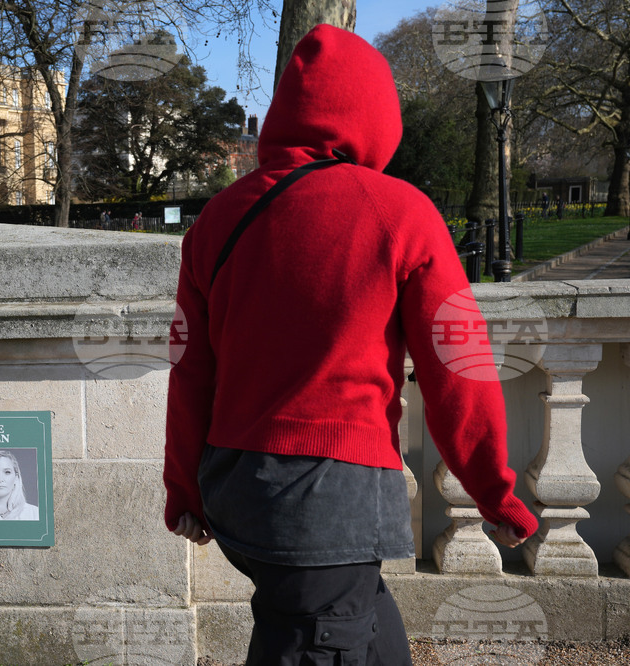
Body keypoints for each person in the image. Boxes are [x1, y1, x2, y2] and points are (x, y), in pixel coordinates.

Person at [163, 25, 538, 666]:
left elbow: (190, 372)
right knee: (323, 640)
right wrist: (494, 490)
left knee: (358, 628)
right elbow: (458, 363)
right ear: (377, 117)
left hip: (236, 489)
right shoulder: (399, 212)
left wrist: (184, 490)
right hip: (329, 500)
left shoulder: (216, 222)